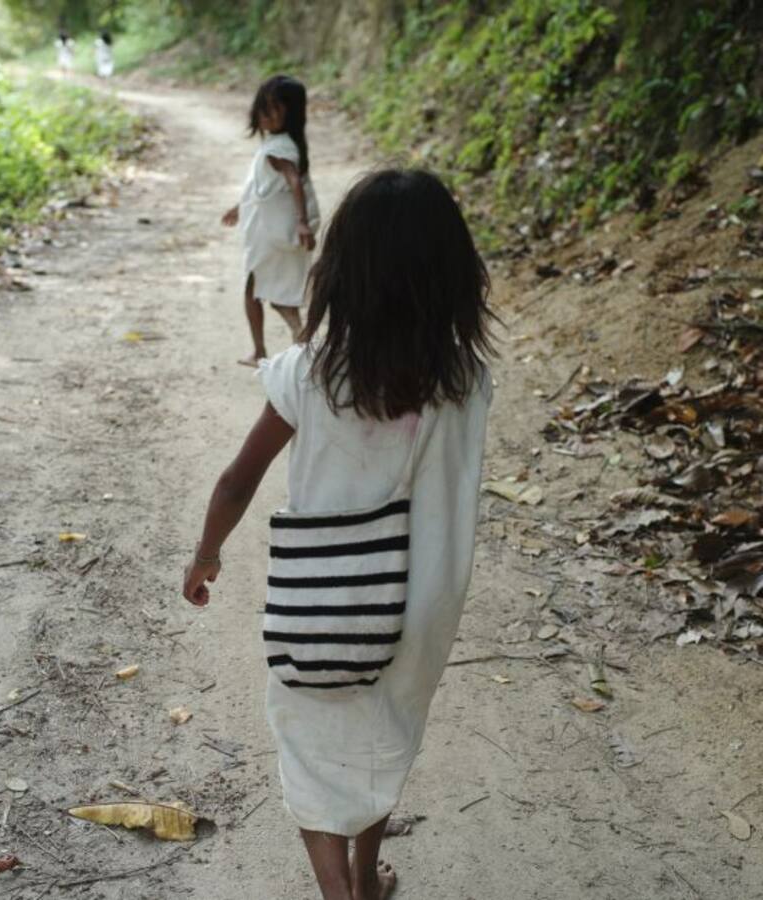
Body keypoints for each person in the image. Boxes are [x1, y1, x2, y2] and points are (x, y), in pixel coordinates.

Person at [183, 169, 495, 900]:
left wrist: (205, 555)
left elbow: (237, 479)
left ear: (342, 273)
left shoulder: (307, 374)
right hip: (424, 603)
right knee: (383, 737)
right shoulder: (467, 383)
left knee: (312, 742)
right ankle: (366, 877)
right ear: (451, 275)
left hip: (325, 599)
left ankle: (339, 894)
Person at [222, 75, 320, 368]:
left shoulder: (280, 149)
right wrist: (239, 207)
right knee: (272, 289)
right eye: (262, 108)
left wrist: (302, 221)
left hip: (271, 234)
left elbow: (293, 182)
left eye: (273, 109)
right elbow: (262, 188)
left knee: (256, 287)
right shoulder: (283, 144)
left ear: (290, 113)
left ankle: (265, 347)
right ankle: (293, 340)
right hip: (271, 231)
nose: (264, 114)